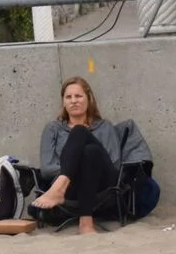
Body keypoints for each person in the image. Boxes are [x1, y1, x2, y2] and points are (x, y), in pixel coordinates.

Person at [26, 77, 117, 235]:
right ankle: (85, 224)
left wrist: (71, 171)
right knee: (87, 151)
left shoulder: (105, 127)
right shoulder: (53, 129)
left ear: (89, 99)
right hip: (72, 190)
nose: (73, 101)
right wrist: (76, 171)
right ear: (63, 102)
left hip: (102, 186)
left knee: (82, 135)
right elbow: (47, 169)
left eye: (78, 96)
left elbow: (114, 163)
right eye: (68, 97)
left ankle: (58, 188)